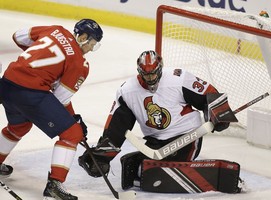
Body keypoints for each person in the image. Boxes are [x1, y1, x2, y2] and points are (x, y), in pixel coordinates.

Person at [78, 50, 237, 192]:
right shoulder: (127, 91)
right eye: (146, 75)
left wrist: (219, 114)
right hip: (155, 141)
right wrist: (101, 157)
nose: (151, 78)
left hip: (187, 136)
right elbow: (116, 127)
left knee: (160, 169)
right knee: (137, 169)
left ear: (160, 69)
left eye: (154, 73)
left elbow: (209, 93)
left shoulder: (178, 78)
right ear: (139, 72)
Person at [0, 18, 103, 200]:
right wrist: (73, 119)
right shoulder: (79, 63)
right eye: (91, 43)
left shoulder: (56, 30)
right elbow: (60, 99)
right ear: (83, 37)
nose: (90, 48)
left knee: (19, 126)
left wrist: (36, 61)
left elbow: (18, 36)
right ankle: (55, 187)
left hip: (6, 83)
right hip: (29, 92)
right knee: (72, 133)